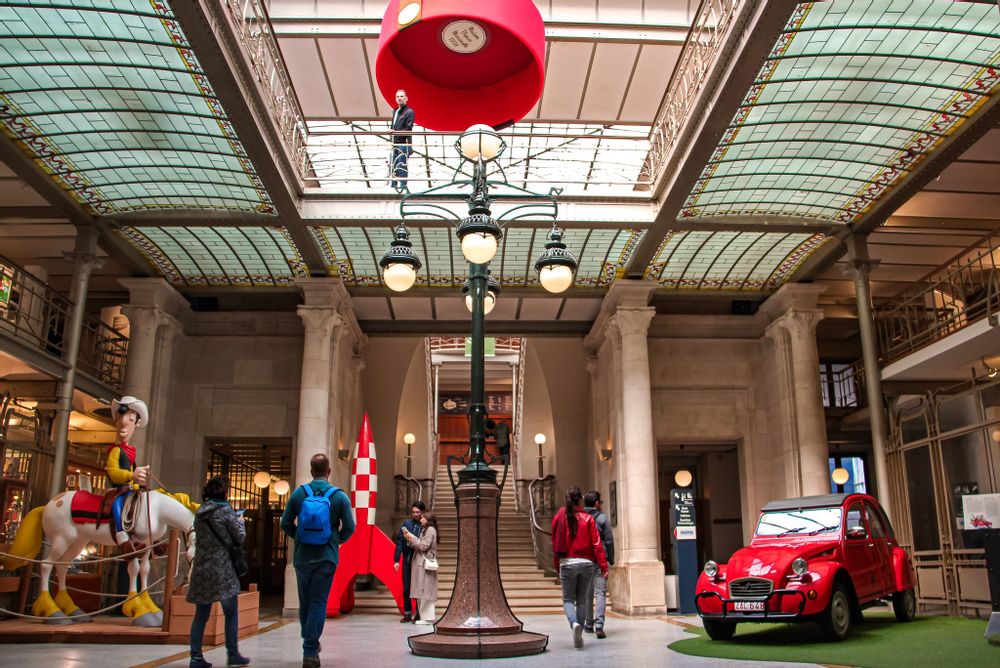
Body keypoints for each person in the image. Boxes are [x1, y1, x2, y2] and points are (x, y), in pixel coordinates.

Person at [280, 454, 356, 668]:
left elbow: (285, 523)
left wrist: (300, 537)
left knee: (306, 602)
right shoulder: (339, 497)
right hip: (326, 558)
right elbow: (350, 528)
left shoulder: (298, 494)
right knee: (318, 603)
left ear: (311, 471)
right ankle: (310, 650)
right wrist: (334, 540)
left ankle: (310, 642)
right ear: (329, 471)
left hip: (303, 557)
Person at [187, 476, 250, 668]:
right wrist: (240, 521)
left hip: (201, 566)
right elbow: (239, 536)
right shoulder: (225, 511)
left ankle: (196, 657)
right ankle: (232, 654)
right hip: (222, 567)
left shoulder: (199, 512)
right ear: (223, 491)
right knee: (230, 611)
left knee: (201, 615)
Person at [551, 486, 607, 650]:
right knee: (581, 600)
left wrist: (556, 565)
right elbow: (597, 544)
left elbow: (555, 543)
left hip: (567, 564)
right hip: (587, 564)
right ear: (580, 500)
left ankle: (574, 623)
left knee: (568, 599)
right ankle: (579, 634)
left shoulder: (559, 518)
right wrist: (603, 566)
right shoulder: (588, 519)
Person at [583, 490, 614, 639]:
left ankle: (588, 624)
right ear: (596, 503)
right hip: (600, 560)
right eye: (600, 502)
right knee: (600, 593)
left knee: (587, 594)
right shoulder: (602, 518)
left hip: (585, 561)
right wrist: (611, 559)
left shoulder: (580, 518)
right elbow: (608, 541)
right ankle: (599, 626)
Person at [403, 510, 438, 625]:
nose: (421, 519)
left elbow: (423, 546)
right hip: (420, 564)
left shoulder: (431, 530)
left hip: (424, 564)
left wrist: (412, 538)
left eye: (423, 517)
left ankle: (426, 618)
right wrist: (409, 538)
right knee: (422, 591)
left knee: (425, 590)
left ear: (428, 519)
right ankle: (423, 617)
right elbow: (420, 544)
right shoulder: (425, 530)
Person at [393, 500, 425, 622]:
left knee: (417, 588)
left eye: (417, 512)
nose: (415, 514)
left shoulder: (425, 525)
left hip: (419, 560)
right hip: (407, 559)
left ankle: (418, 613)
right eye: (413, 512)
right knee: (406, 588)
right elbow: (399, 542)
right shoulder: (406, 524)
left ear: (422, 512)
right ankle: (407, 613)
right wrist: (396, 559)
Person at [390, 88, 414, 193]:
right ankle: (393, 186)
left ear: (406, 98)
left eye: (401, 96)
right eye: (397, 96)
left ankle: (403, 187)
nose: (399, 98)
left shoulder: (409, 112)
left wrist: (394, 132)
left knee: (401, 164)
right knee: (393, 164)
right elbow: (393, 125)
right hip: (395, 142)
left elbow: (408, 128)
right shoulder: (395, 111)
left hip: (404, 142)